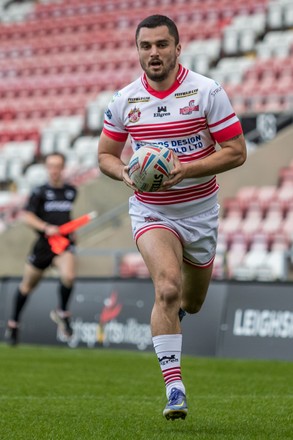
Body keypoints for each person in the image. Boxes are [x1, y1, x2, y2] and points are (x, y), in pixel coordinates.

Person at [98, 15, 246, 420]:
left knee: (192, 302)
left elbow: (236, 151)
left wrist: (186, 169)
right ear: (138, 51)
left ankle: (173, 317)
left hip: (200, 213)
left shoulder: (206, 92)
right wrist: (125, 172)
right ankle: (175, 389)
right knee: (166, 288)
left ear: (178, 48)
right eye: (146, 46)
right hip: (152, 210)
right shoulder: (125, 99)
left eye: (162, 45)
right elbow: (106, 156)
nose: (154, 53)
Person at [5, 152, 78, 345]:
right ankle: (13, 324)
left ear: (63, 168)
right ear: (47, 168)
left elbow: (65, 214)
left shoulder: (71, 191)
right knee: (27, 286)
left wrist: (71, 229)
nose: (54, 170)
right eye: (51, 166)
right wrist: (46, 228)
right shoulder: (39, 192)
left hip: (63, 244)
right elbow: (26, 216)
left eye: (58, 166)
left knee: (69, 276)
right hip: (43, 246)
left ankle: (62, 312)